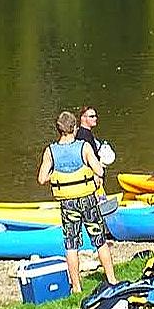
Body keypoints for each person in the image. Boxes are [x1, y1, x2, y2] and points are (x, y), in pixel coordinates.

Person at [38, 111, 117, 295]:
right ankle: (111, 279)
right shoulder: (84, 147)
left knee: (71, 245)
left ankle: (76, 286)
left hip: (67, 204)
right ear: (74, 127)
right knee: (99, 240)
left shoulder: (50, 151)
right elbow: (99, 171)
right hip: (87, 199)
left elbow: (42, 178)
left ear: (58, 129)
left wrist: (57, 176)